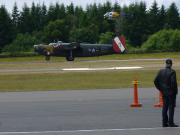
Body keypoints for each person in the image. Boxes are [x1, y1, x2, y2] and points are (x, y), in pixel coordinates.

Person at [154, 59, 178, 127]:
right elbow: (173, 83)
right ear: (171, 64)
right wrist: (175, 92)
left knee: (165, 107)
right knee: (171, 108)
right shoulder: (172, 72)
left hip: (164, 92)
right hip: (171, 93)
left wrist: (160, 89)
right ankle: (171, 122)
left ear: (166, 64)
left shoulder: (160, 71)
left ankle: (164, 122)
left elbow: (155, 81)